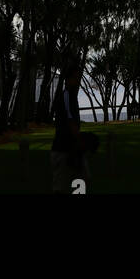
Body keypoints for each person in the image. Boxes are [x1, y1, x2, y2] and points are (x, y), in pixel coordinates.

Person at [51, 62, 86, 194]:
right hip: (63, 149)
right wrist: (79, 140)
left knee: (78, 182)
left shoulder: (70, 96)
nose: (77, 81)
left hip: (69, 148)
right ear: (68, 79)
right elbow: (70, 120)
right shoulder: (66, 96)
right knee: (64, 185)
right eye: (75, 77)